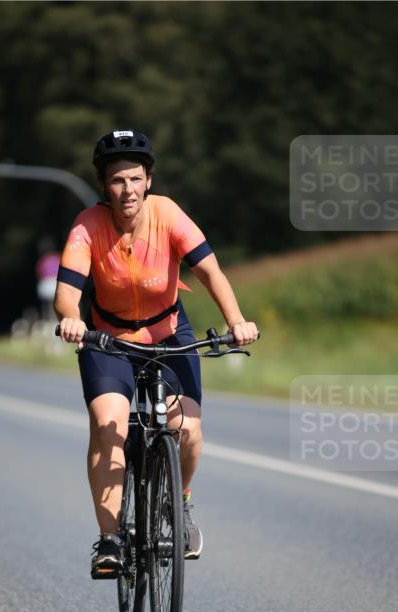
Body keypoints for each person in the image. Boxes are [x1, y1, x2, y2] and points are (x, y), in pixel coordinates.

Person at [55, 129, 258, 577]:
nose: (127, 190)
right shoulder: (88, 225)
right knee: (108, 424)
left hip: (169, 333)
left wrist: (236, 320)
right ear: (103, 186)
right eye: (116, 181)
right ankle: (109, 540)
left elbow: (209, 270)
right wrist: (73, 318)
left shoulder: (168, 214)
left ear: (148, 180)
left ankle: (180, 506)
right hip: (108, 339)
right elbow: (67, 293)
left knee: (187, 427)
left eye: (134, 179)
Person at [35, 238, 60, 322]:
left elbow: (39, 274)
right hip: (56, 284)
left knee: (47, 307)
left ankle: (49, 320)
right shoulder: (58, 257)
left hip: (46, 285)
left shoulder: (42, 260)